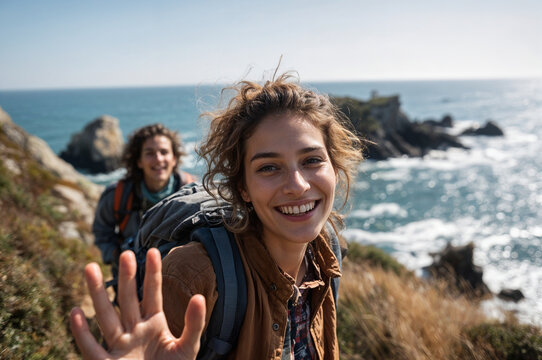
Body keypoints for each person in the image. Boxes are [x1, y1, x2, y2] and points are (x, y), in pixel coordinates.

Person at [71, 73, 364, 359]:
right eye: (268, 168)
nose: (298, 185)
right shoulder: (194, 274)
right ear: (242, 187)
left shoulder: (327, 254)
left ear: (334, 168)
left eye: (312, 160)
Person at [92, 123, 195, 282]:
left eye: (164, 152)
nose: (158, 159)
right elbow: (101, 231)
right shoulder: (118, 195)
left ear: (174, 159)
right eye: (150, 153)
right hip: (130, 278)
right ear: (138, 161)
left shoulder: (192, 193)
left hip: (177, 278)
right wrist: (117, 256)